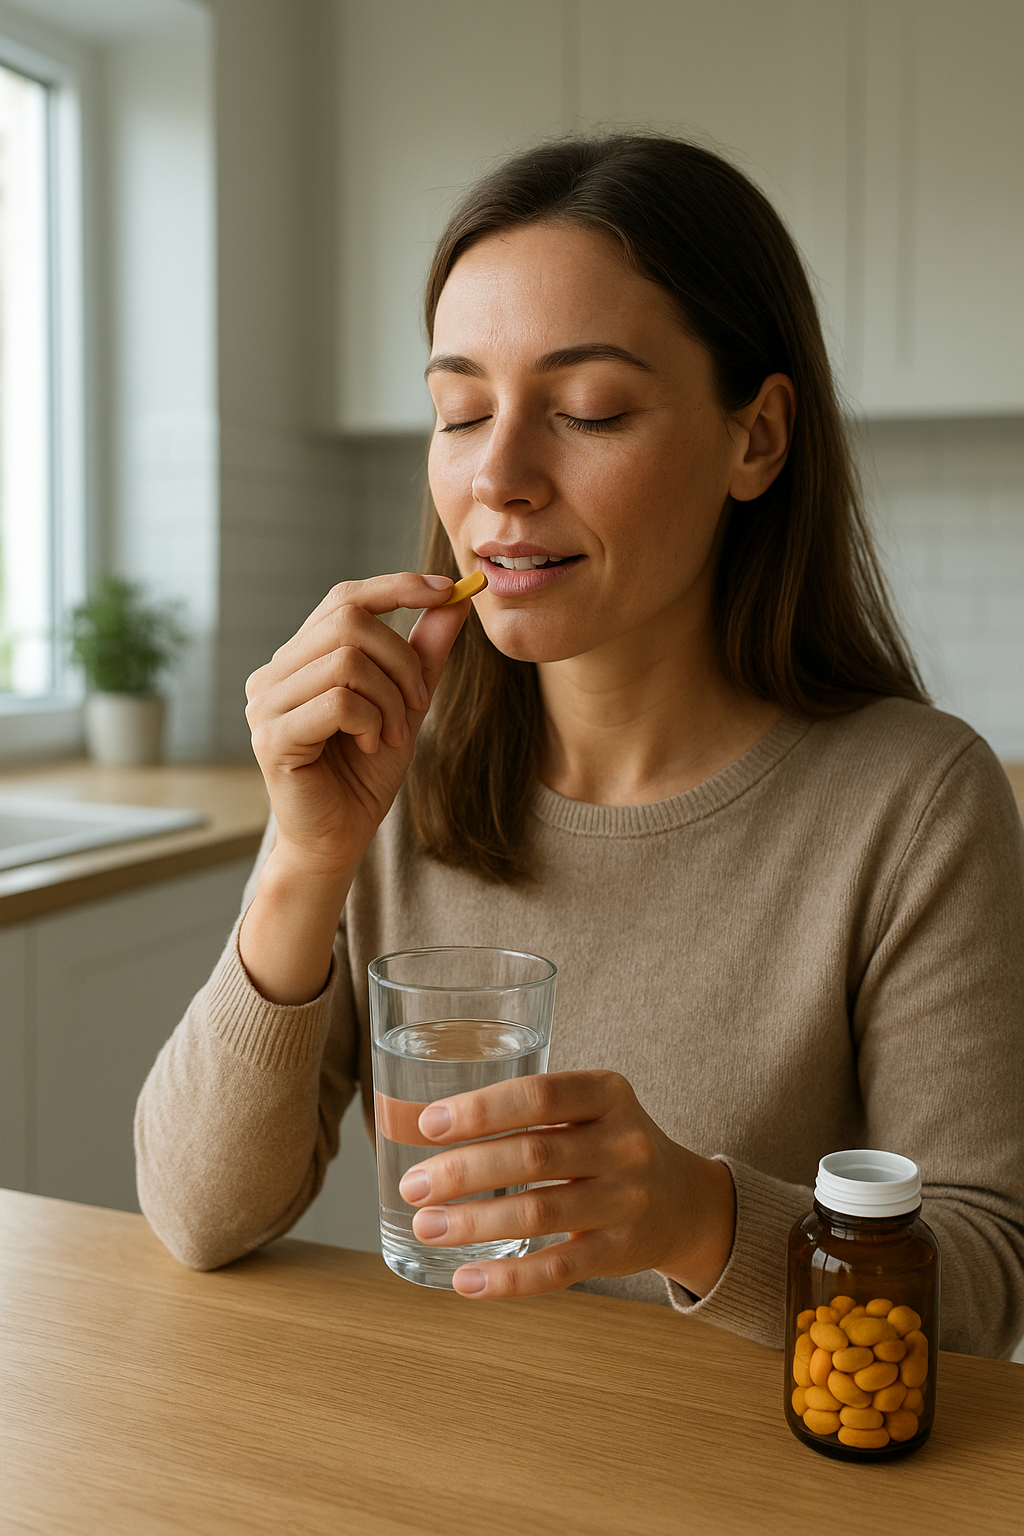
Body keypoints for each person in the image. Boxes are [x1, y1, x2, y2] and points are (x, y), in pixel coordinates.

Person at [135, 136, 1024, 1357]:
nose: (496, 475)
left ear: (756, 438)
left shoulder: (916, 804)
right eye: (459, 410)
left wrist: (697, 1216)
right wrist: (304, 857)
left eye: (587, 410)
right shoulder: (396, 768)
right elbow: (196, 1217)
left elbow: (977, 1296)